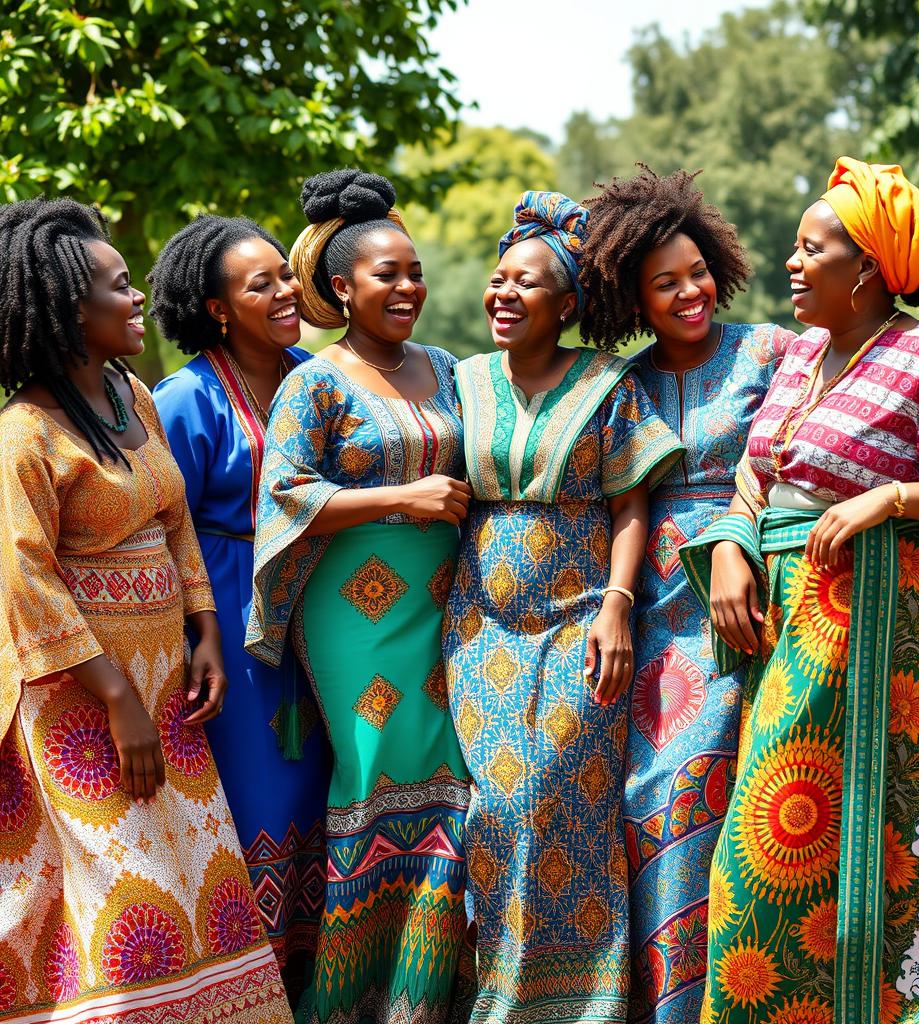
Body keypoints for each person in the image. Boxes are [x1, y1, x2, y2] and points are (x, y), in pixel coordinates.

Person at [686, 158, 919, 1024]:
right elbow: (757, 480)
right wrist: (730, 543)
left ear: (868, 268)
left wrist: (895, 495)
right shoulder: (801, 355)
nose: (792, 264)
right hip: (807, 637)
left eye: (813, 248)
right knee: (772, 850)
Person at [0, 198, 291, 1021]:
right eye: (119, 287)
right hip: (80, 698)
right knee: (126, 897)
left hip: (167, 685)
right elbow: (26, 582)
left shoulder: (133, 397)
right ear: (65, 310)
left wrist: (203, 628)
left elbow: (174, 520)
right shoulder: (23, 434)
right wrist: (118, 699)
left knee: (201, 876)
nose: (138, 300)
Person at [443, 191, 683, 1023]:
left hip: (582, 622)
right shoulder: (462, 380)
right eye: (498, 278)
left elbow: (630, 504)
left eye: (528, 284)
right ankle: (501, 996)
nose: (504, 294)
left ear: (570, 304)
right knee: (495, 808)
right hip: (478, 628)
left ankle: (584, 1002)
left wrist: (619, 605)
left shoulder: (608, 383)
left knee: (561, 799)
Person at [246, 169, 471, 1024]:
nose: (408, 287)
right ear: (341, 288)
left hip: (448, 601)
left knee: (451, 778)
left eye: (414, 271)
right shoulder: (316, 382)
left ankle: (423, 999)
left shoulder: (446, 366)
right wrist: (399, 500)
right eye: (388, 274)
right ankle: (348, 1004)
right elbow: (288, 495)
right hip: (353, 610)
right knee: (378, 771)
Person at [578, 166, 791, 1024]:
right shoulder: (617, 382)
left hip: (749, 594)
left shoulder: (774, 352)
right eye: (664, 283)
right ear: (633, 297)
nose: (689, 292)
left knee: (739, 788)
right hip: (647, 605)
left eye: (697, 271)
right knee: (650, 797)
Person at [149, 215, 331, 999]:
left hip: (324, 618)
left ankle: (322, 980)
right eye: (263, 285)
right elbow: (161, 528)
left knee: (324, 790)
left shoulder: (319, 373)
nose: (288, 292)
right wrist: (199, 633)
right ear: (218, 308)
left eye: (286, 276)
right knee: (255, 795)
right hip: (227, 618)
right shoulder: (184, 398)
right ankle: (250, 991)